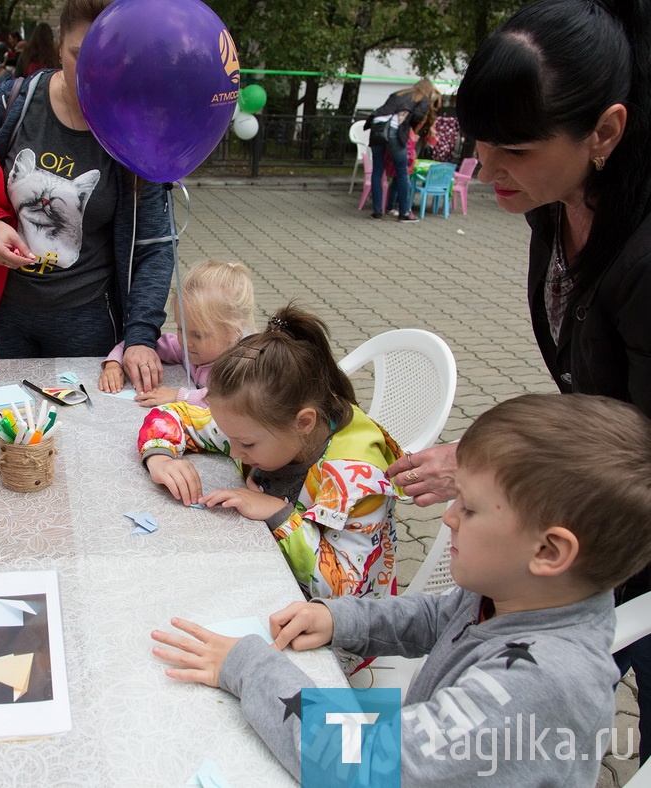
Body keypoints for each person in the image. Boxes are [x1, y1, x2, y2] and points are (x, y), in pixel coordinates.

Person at [393, 0, 651, 764]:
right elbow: (592, 402)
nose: (484, 166)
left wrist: (255, 674)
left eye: (515, 148)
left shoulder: (641, 257)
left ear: (604, 131)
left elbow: (364, 758)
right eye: (480, 140)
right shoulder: (554, 207)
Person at [151, 393, 651, 784]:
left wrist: (247, 665)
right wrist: (339, 619)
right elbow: (437, 618)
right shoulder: (522, 593)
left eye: (470, 508)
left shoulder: (536, 687)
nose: (448, 518)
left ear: (550, 552)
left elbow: (356, 763)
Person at [0, 0, 174, 393]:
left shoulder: (133, 130)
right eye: (80, 55)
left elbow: (153, 246)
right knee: (1, 440)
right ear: (59, 42)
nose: (95, 72)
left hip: (90, 322)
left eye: (110, 59)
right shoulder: (14, 103)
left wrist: (141, 336)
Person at [138, 304, 403, 600]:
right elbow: (175, 416)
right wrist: (160, 456)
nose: (236, 453)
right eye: (231, 439)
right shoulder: (260, 421)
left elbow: (343, 588)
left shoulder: (357, 480)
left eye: (247, 445)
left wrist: (277, 513)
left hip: (337, 630)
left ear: (303, 422)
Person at [99, 260, 256, 407]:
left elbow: (226, 401)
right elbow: (141, 346)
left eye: (198, 335)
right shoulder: (191, 348)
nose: (186, 342)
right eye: (181, 329)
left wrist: (179, 397)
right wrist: (114, 363)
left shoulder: (245, 366)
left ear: (234, 332)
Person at [365, 77, 441, 222]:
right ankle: (405, 213)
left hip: (377, 127)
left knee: (377, 171)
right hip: (394, 129)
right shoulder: (423, 98)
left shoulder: (399, 93)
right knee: (402, 171)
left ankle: (377, 212)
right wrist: (409, 127)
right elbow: (418, 116)